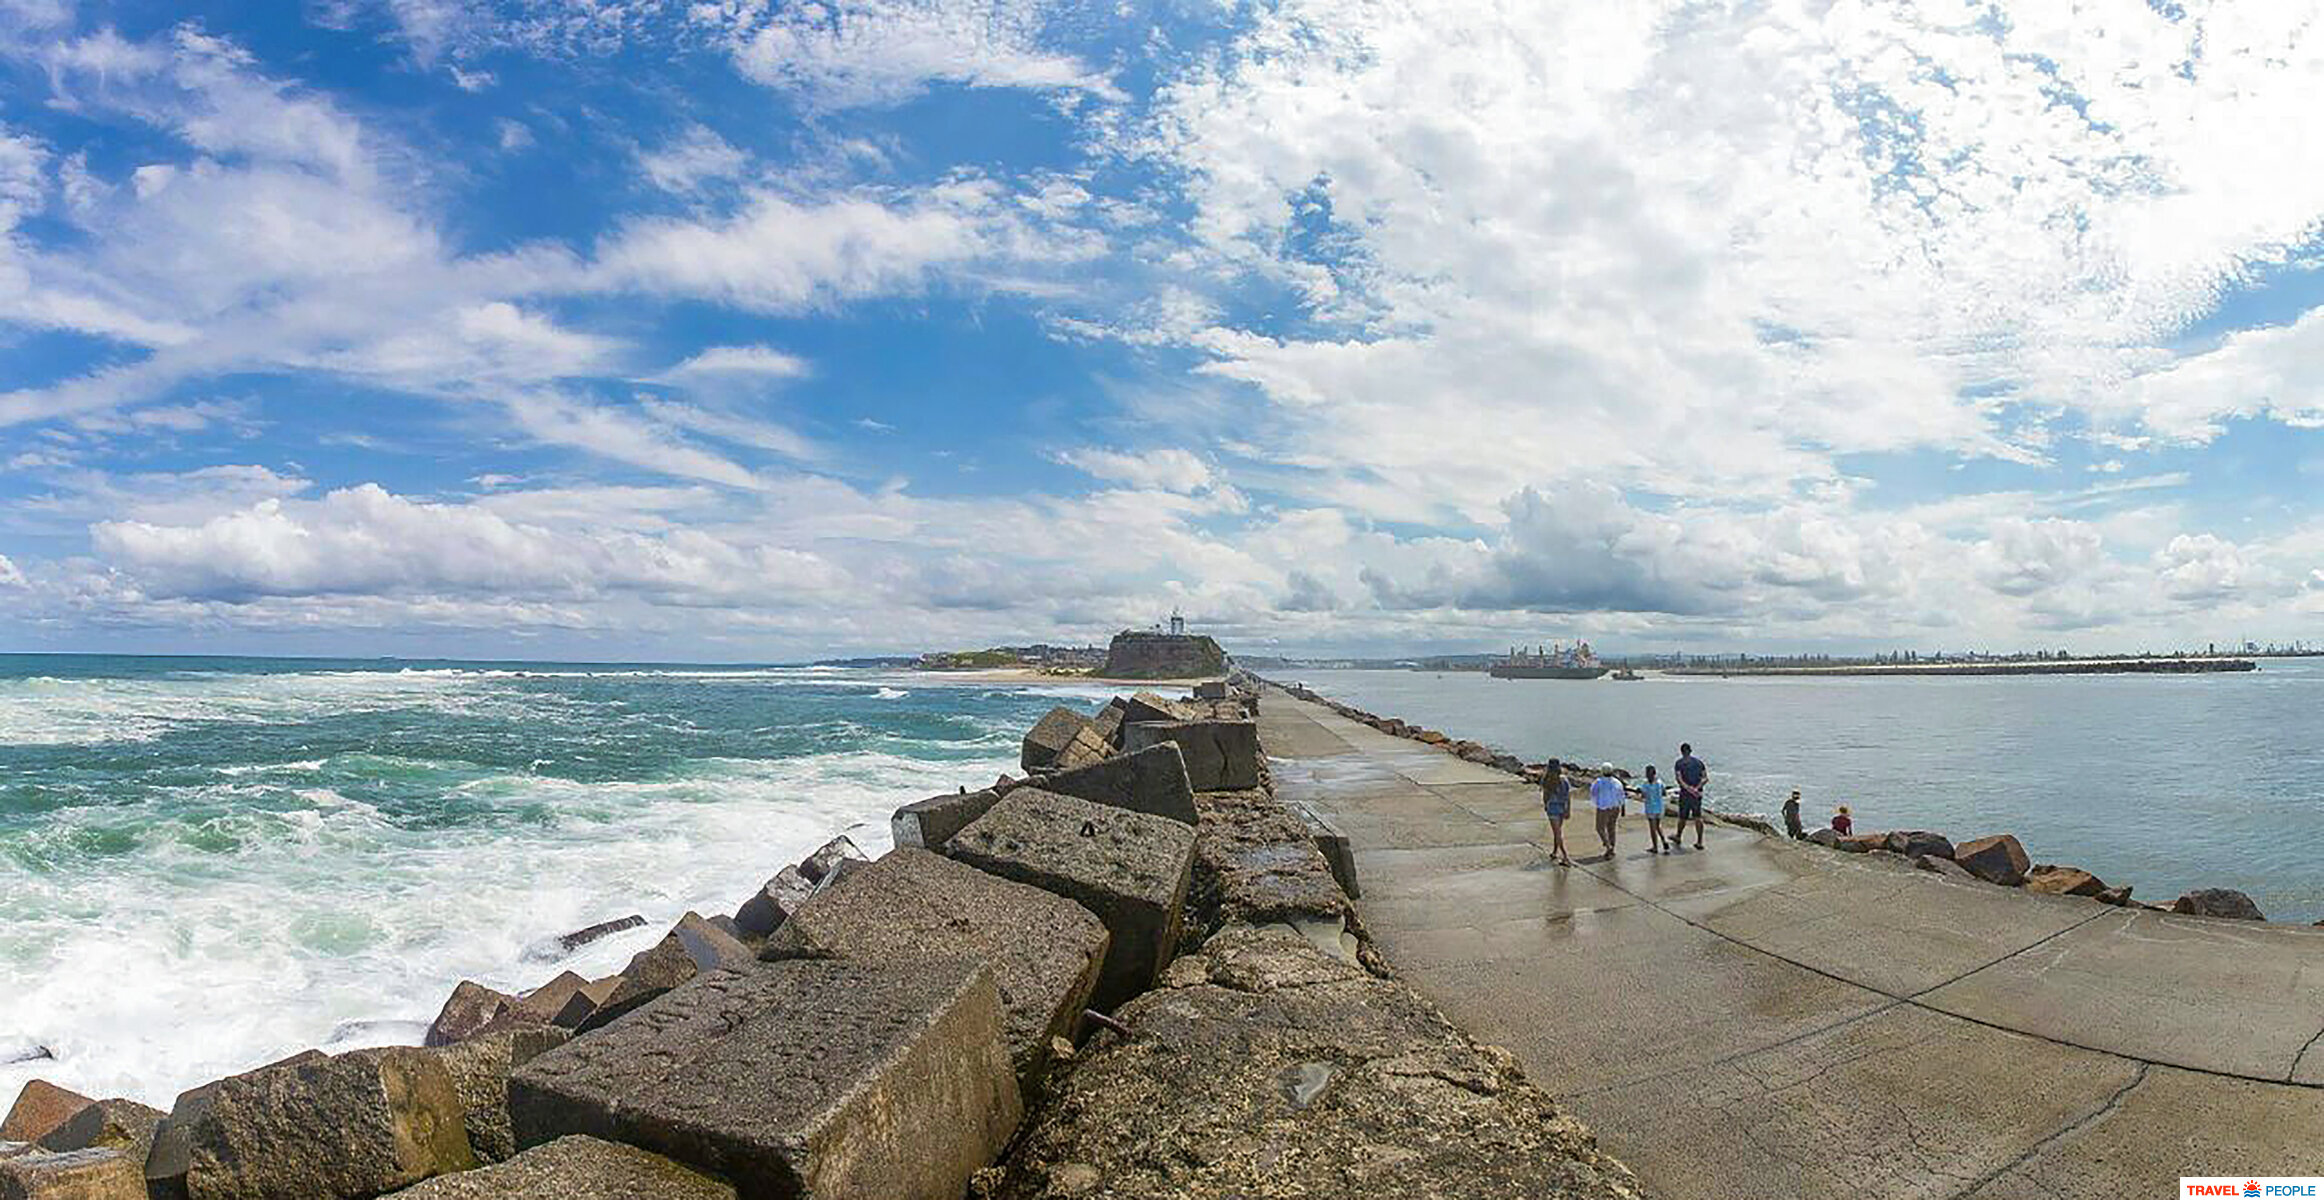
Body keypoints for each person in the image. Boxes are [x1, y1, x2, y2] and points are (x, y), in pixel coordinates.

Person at [1673, 742, 1708, 850]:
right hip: (1697, 794)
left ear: (1681, 751)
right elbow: (1705, 778)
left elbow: (1679, 779)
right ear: (1690, 751)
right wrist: (1696, 788)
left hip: (1685, 794)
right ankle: (1700, 841)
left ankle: (1678, 836)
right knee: (1698, 817)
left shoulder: (1679, 763)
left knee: (1682, 817)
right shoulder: (1699, 763)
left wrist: (1688, 789)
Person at [1540, 758, 1574, 866]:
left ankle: (1565, 856)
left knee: (1557, 833)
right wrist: (1568, 809)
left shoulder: (1546, 780)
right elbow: (1568, 796)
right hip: (1562, 807)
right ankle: (1555, 852)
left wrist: (1545, 805)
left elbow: (1545, 796)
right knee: (1558, 832)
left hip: (1552, 808)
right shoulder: (1564, 780)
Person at [1590, 763, 1624, 858]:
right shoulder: (1617, 782)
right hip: (1615, 807)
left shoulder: (1598, 782)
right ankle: (1612, 848)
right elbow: (1621, 795)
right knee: (1611, 828)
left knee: (1600, 828)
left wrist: (1596, 801)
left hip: (1603, 807)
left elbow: (1593, 792)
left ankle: (1608, 845)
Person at [1639, 765, 1668, 853]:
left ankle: (1655, 847)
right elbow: (1664, 793)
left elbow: (1643, 795)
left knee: (1652, 828)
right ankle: (1664, 841)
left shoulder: (1646, 784)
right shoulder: (1660, 783)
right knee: (1658, 826)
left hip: (1650, 808)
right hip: (1659, 807)